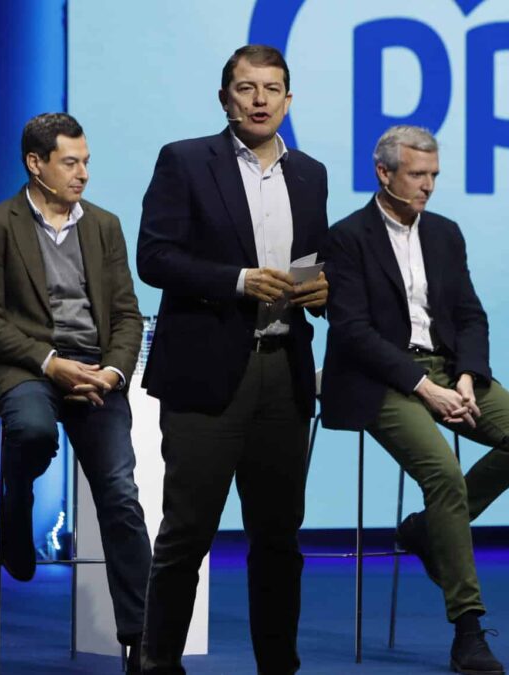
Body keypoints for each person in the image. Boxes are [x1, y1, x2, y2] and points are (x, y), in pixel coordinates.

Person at [320, 125, 509, 675]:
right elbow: (352, 331)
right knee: (444, 473)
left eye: (434, 176)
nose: (427, 187)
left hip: (447, 369)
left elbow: (469, 314)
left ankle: (428, 530)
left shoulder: (445, 233)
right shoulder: (347, 237)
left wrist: (467, 376)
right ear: (384, 173)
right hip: (379, 378)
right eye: (417, 176)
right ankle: (467, 628)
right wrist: (424, 389)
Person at [135, 45, 329, 675]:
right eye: (247, 88)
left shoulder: (311, 174)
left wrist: (325, 291)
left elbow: (315, 261)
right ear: (226, 99)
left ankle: (279, 664)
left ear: (289, 100)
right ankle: (158, 662)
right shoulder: (186, 161)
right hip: (205, 372)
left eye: (272, 88)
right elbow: (155, 258)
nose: (260, 100)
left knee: (278, 537)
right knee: (187, 533)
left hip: (284, 370)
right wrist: (237, 281)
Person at [0, 112, 151, 672]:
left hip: (96, 375)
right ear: (36, 164)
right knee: (34, 429)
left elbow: (127, 314)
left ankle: (143, 643)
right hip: (26, 366)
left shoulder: (104, 225)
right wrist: (51, 362)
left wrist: (112, 373)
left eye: (86, 161)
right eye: (71, 162)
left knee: (119, 495)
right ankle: (17, 499)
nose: (83, 174)